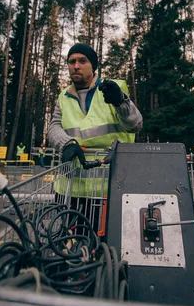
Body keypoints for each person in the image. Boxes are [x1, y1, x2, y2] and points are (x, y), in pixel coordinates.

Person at [48, 43, 143, 231]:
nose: (76, 66)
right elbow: (54, 126)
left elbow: (135, 125)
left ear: (93, 66)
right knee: (74, 246)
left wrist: (120, 102)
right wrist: (67, 143)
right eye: (71, 61)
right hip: (71, 189)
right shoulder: (63, 96)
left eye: (82, 61)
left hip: (111, 188)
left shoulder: (112, 88)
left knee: (109, 245)